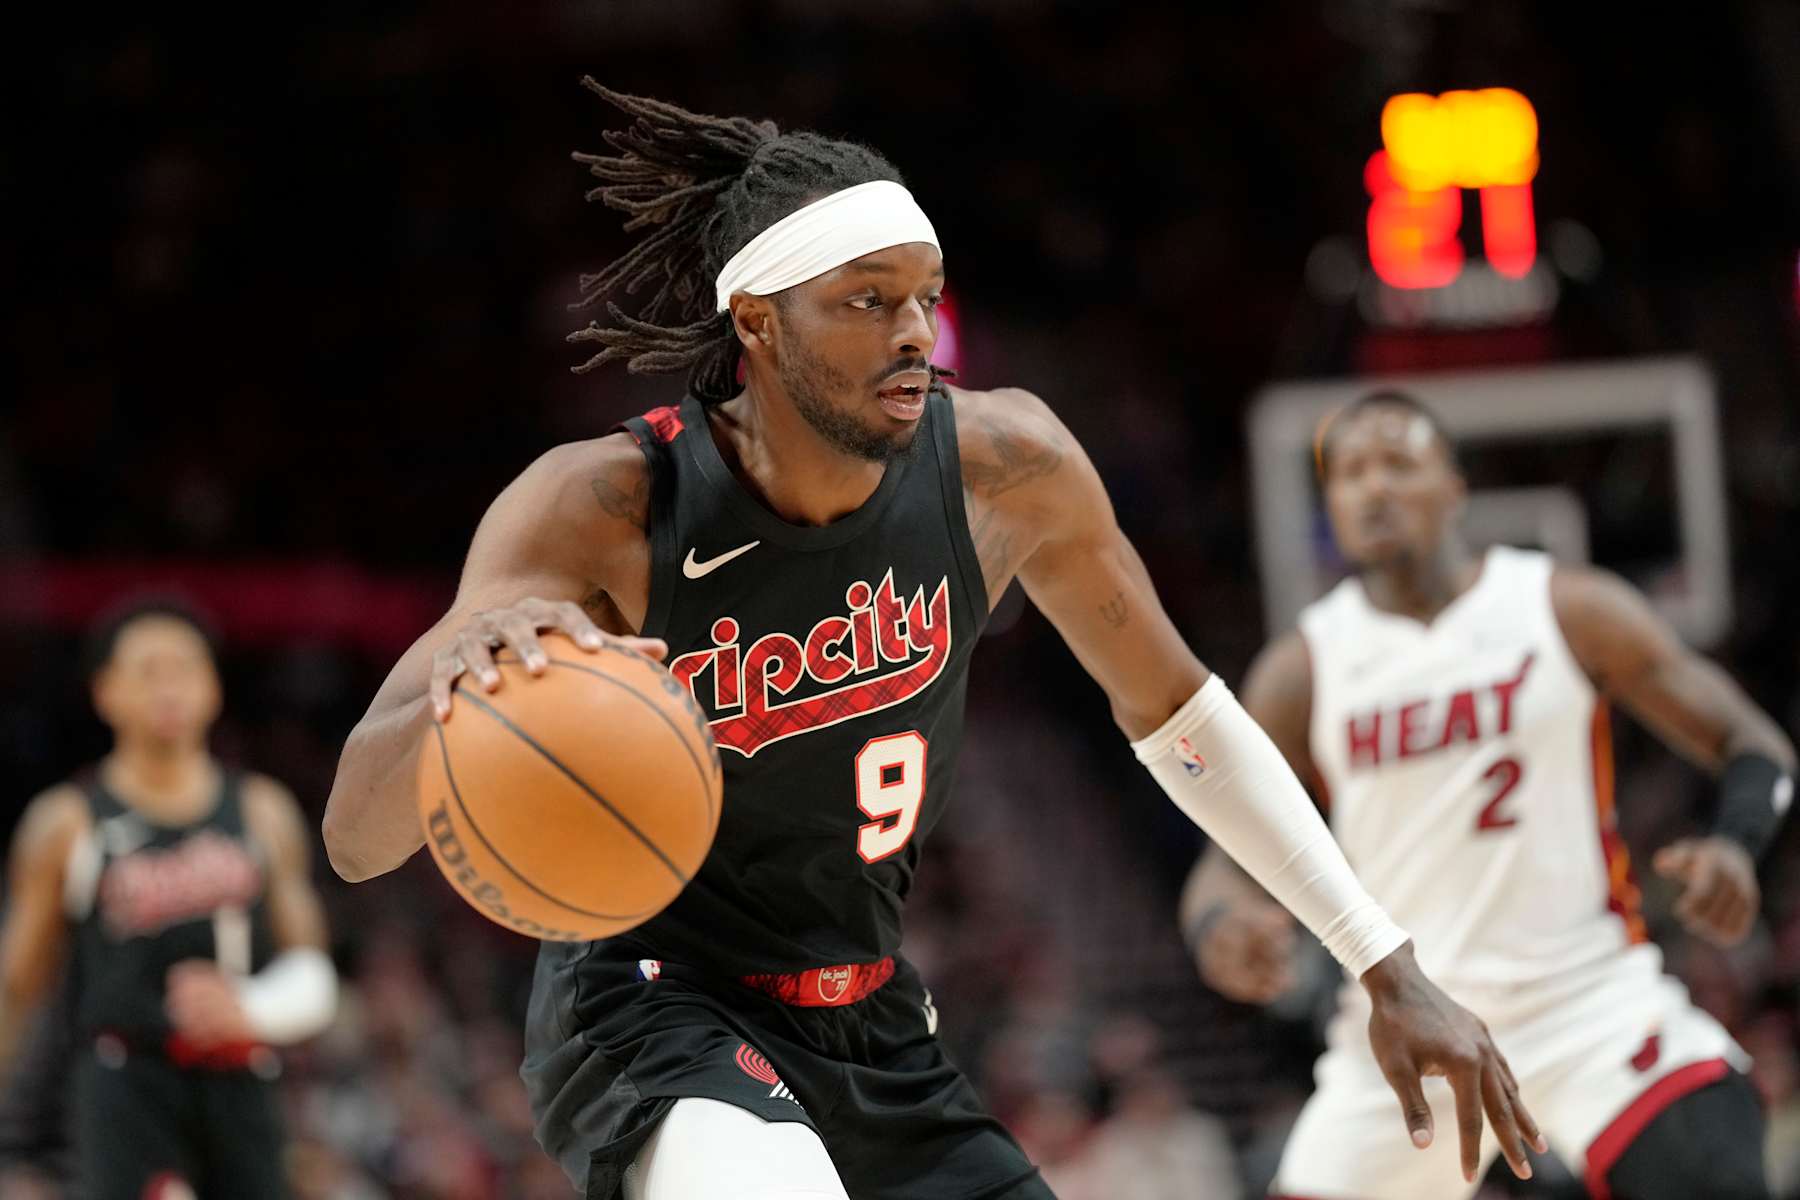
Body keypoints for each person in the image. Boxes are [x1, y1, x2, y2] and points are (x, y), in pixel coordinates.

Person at [322, 85, 1545, 1200]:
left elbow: (1182, 718)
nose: (914, 330)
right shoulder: (601, 504)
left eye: (925, 294)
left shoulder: (1008, 466)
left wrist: (1384, 964)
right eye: (868, 301)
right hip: (651, 1008)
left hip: (871, 1016)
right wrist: (467, 688)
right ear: (757, 321)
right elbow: (356, 839)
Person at [1182, 390, 1795, 1200]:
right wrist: (1220, 927)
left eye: (1398, 462)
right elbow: (1223, 864)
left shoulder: (1566, 607)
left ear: (1456, 486)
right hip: (1404, 1027)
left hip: (1583, 1001)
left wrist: (1736, 843)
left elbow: (1753, 744)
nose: (1373, 487)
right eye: (1350, 473)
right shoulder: (1301, 670)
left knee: (1715, 1164)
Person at [0, 598, 339, 1198]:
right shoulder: (65, 822)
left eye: (184, 668)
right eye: (148, 671)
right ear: (105, 692)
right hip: (123, 1081)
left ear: (213, 687)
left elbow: (313, 971)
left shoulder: (263, 811)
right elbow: (16, 987)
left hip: (240, 1071)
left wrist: (253, 1007)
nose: (169, 687)